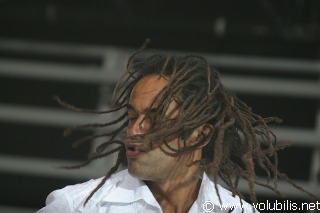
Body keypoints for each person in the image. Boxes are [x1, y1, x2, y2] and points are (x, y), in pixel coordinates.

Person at [36, 43, 318, 213]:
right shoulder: (78, 206)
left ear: (200, 135)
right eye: (132, 117)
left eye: (155, 120)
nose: (134, 131)